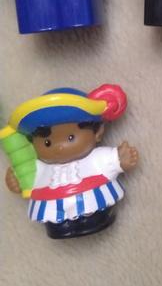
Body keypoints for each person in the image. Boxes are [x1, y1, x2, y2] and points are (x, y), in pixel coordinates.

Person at [2, 85, 138, 239]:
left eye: (70, 138)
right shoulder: (41, 167)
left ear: (98, 133)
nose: (59, 147)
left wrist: (121, 159)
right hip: (53, 206)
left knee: (92, 212)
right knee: (54, 218)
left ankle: (94, 220)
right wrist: (17, 180)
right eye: (47, 142)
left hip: (91, 201)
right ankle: (59, 227)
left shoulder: (94, 157)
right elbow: (27, 176)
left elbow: (110, 161)